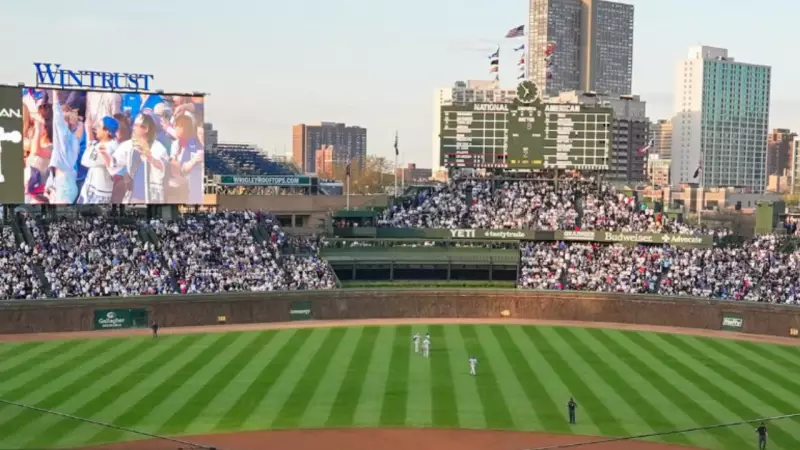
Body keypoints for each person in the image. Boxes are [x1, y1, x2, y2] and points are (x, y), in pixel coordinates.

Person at [113, 113, 169, 204]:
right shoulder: (128, 145)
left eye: (136, 125)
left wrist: (150, 158)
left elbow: (163, 166)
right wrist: (124, 173)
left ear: (146, 129)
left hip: (151, 198)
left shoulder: (158, 147)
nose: (133, 128)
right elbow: (114, 163)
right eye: (133, 125)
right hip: (131, 197)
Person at [45, 91, 82, 204]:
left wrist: (55, 95)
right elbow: (80, 125)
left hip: (64, 186)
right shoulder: (72, 139)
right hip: (64, 183)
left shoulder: (64, 137)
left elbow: (58, 119)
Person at [78, 117, 120, 204]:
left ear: (107, 131)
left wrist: (88, 131)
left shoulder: (109, 147)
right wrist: (88, 130)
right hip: (92, 188)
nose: (96, 129)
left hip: (100, 192)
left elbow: (85, 161)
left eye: (99, 127)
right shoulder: (104, 143)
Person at [167, 114, 204, 204]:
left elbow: (184, 168)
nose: (175, 129)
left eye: (178, 126)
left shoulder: (195, 145)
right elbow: (177, 166)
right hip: (181, 184)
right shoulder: (175, 144)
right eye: (175, 126)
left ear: (185, 128)